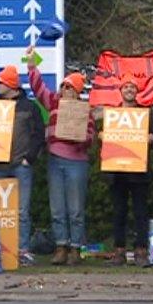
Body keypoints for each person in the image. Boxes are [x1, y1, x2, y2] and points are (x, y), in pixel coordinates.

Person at [27, 48, 96, 266]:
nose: (65, 90)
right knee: (57, 207)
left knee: (75, 208)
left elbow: (91, 138)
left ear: (77, 92)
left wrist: (79, 137)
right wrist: (31, 65)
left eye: (69, 87)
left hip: (77, 163)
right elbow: (38, 89)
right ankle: (60, 246)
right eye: (63, 86)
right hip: (55, 161)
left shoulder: (85, 110)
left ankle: (75, 248)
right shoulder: (54, 103)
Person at [0, 65, 45, 266]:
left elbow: (39, 135)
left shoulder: (29, 107)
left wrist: (30, 158)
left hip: (21, 165)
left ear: (11, 85)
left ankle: (23, 250)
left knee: (21, 211)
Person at [102, 74, 153, 267]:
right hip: (117, 172)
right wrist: (102, 135)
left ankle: (141, 252)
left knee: (140, 213)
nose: (129, 90)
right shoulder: (112, 115)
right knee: (118, 212)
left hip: (139, 173)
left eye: (132, 87)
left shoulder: (146, 114)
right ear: (120, 91)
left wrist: (152, 139)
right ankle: (119, 251)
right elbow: (101, 139)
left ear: (137, 91)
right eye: (125, 87)